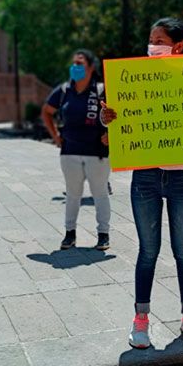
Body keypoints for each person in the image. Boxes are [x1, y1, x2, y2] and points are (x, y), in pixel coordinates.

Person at [101, 18, 183, 349]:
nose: (151, 45)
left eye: (158, 40)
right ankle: (141, 319)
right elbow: (114, 116)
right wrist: (106, 117)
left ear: (178, 45)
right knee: (148, 251)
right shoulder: (136, 77)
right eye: (150, 40)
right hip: (146, 176)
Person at [42, 49, 111, 251]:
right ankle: (70, 234)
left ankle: (103, 235)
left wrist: (112, 137)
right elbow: (47, 111)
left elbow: (118, 116)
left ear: (91, 68)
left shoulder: (101, 90)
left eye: (80, 64)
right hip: (69, 152)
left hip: (97, 153)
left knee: (100, 194)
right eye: (73, 63)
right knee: (73, 195)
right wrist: (55, 136)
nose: (75, 67)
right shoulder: (64, 90)